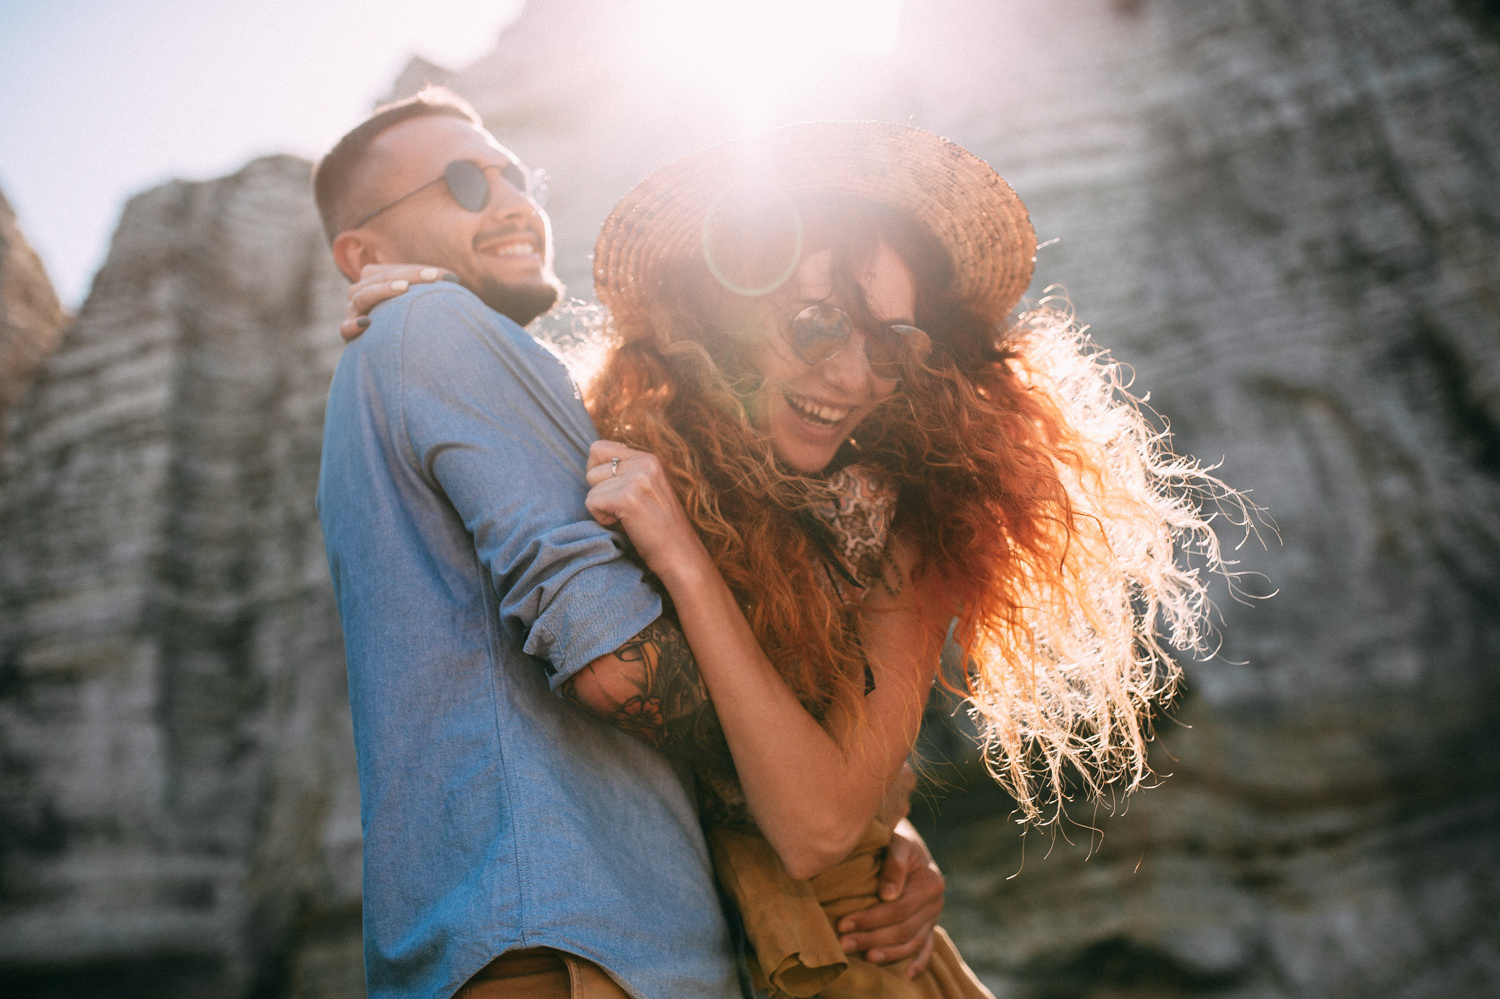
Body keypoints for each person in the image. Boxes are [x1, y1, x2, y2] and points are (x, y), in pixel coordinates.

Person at [350, 120, 1235, 998]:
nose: (852, 375)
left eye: (894, 344)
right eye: (817, 324)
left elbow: (816, 828)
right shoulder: (641, 447)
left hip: (856, 970)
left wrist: (689, 568)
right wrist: (443, 305)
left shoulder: (911, 529)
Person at [313, 91, 946, 999]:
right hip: (573, 947)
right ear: (361, 255)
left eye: (514, 174)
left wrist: (877, 815)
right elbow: (621, 665)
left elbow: (819, 790)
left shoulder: (512, 380)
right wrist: (840, 802)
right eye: (461, 181)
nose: (511, 201)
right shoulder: (437, 328)